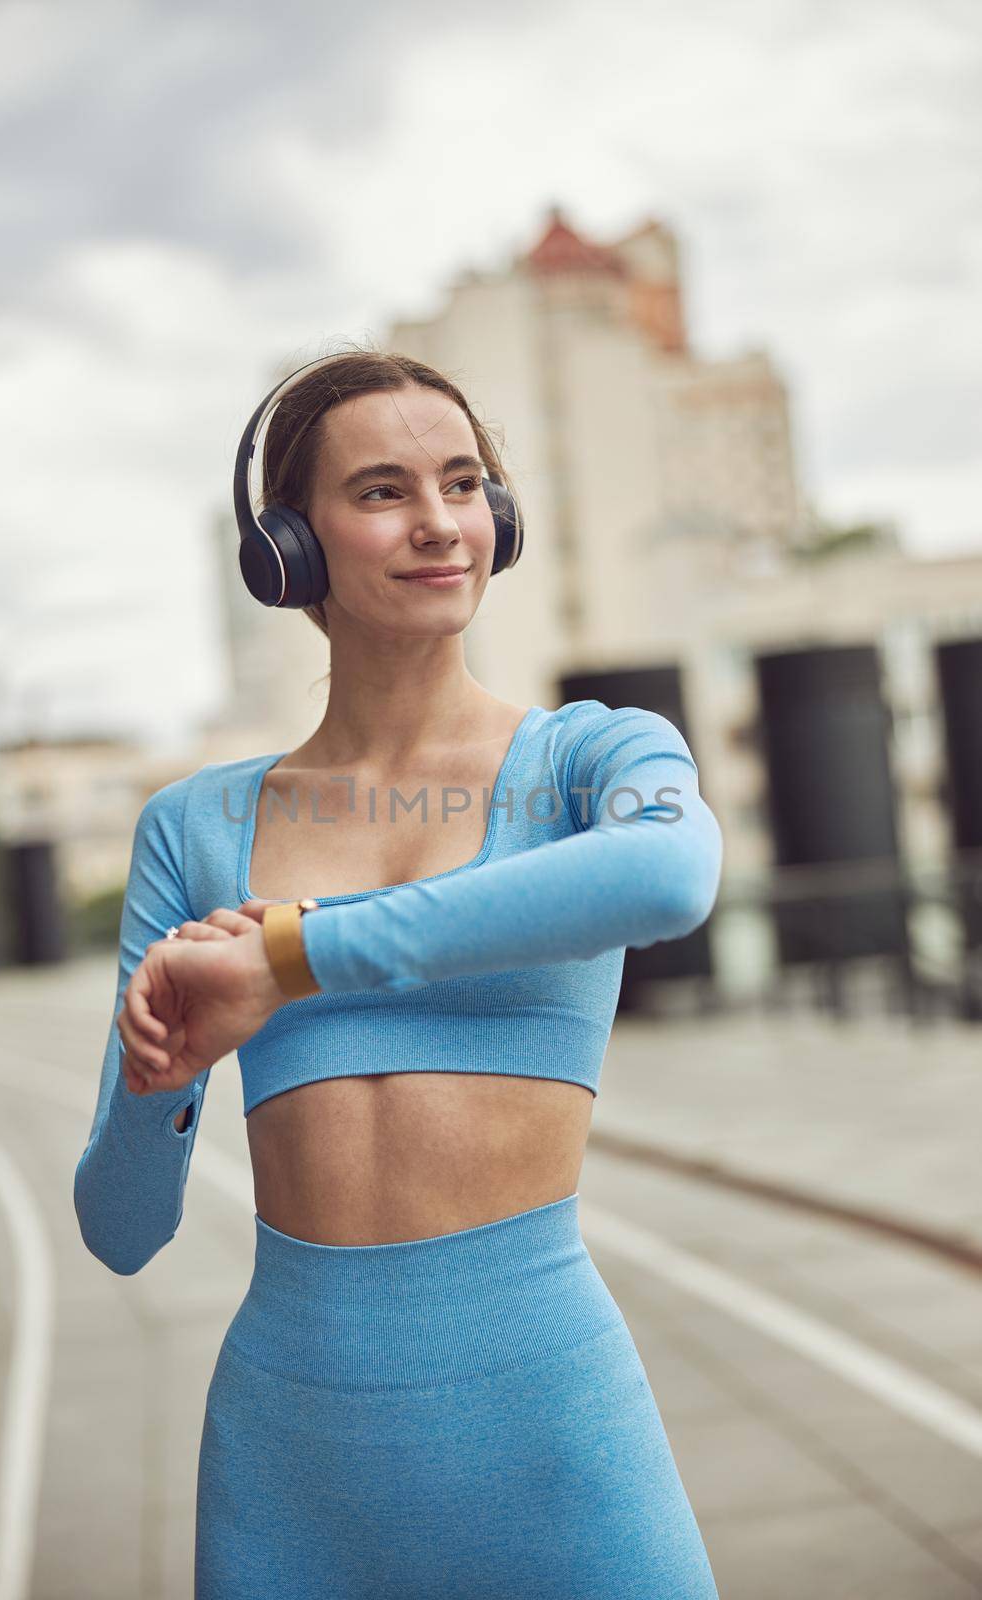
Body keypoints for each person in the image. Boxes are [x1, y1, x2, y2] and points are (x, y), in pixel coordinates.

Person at [74, 348, 724, 1598]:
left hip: (553, 1432)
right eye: (381, 491)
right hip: (291, 1462)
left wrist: (291, 955)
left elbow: (666, 882)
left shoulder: (595, 756)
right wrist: (162, 1075)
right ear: (288, 548)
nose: (438, 525)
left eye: (464, 482)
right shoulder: (193, 827)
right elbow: (119, 1229)